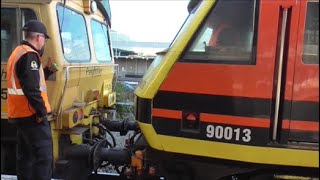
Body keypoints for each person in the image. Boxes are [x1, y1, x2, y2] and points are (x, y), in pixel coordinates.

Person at [7, 20, 57, 180]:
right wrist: (42, 112)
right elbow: (32, 89)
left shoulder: (18, 52)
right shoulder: (30, 55)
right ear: (38, 37)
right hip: (32, 115)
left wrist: (47, 72)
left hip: (21, 114)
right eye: (44, 39)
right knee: (43, 158)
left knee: (26, 157)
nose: (44, 42)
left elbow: (27, 80)